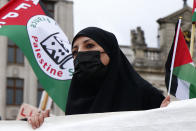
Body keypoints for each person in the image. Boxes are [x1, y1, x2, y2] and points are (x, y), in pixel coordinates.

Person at [28, 27, 170, 129]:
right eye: (75, 52)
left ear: (111, 52)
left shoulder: (145, 95)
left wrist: (169, 114)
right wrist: (44, 124)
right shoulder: (75, 100)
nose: (81, 54)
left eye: (89, 45)